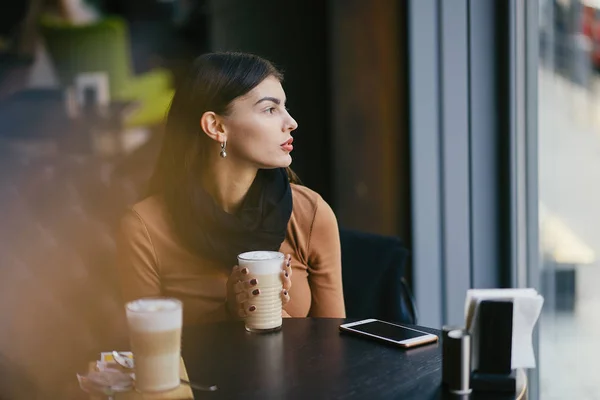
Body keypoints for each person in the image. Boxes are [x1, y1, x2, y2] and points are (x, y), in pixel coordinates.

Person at [117, 52, 346, 325]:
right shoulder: (145, 228)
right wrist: (229, 313)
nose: (291, 122)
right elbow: (147, 354)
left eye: (284, 107)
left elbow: (335, 348)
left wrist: (272, 312)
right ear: (216, 126)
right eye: (270, 109)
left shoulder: (310, 214)